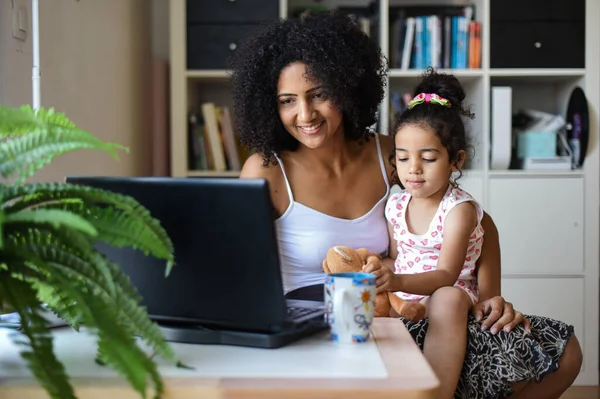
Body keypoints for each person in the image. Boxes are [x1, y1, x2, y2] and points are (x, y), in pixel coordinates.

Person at [231, 11, 582, 399]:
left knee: (564, 354)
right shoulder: (266, 171)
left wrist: (490, 294)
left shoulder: (390, 155)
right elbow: (243, 278)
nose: (305, 114)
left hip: (402, 314)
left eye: (319, 94)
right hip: (316, 325)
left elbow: (473, 218)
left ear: (346, 88)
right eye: (287, 101)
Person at [363, 69, 485, 398]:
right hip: (407, 293)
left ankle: (435, 391)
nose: (413, 169)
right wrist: (379, 270)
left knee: (446, 299)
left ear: (455, 160)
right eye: (403, 158)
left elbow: (446, 274)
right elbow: (396, 256)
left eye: (428, 158)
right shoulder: (395, 203)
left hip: (449, 293)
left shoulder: (459, 209)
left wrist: (399, 281)